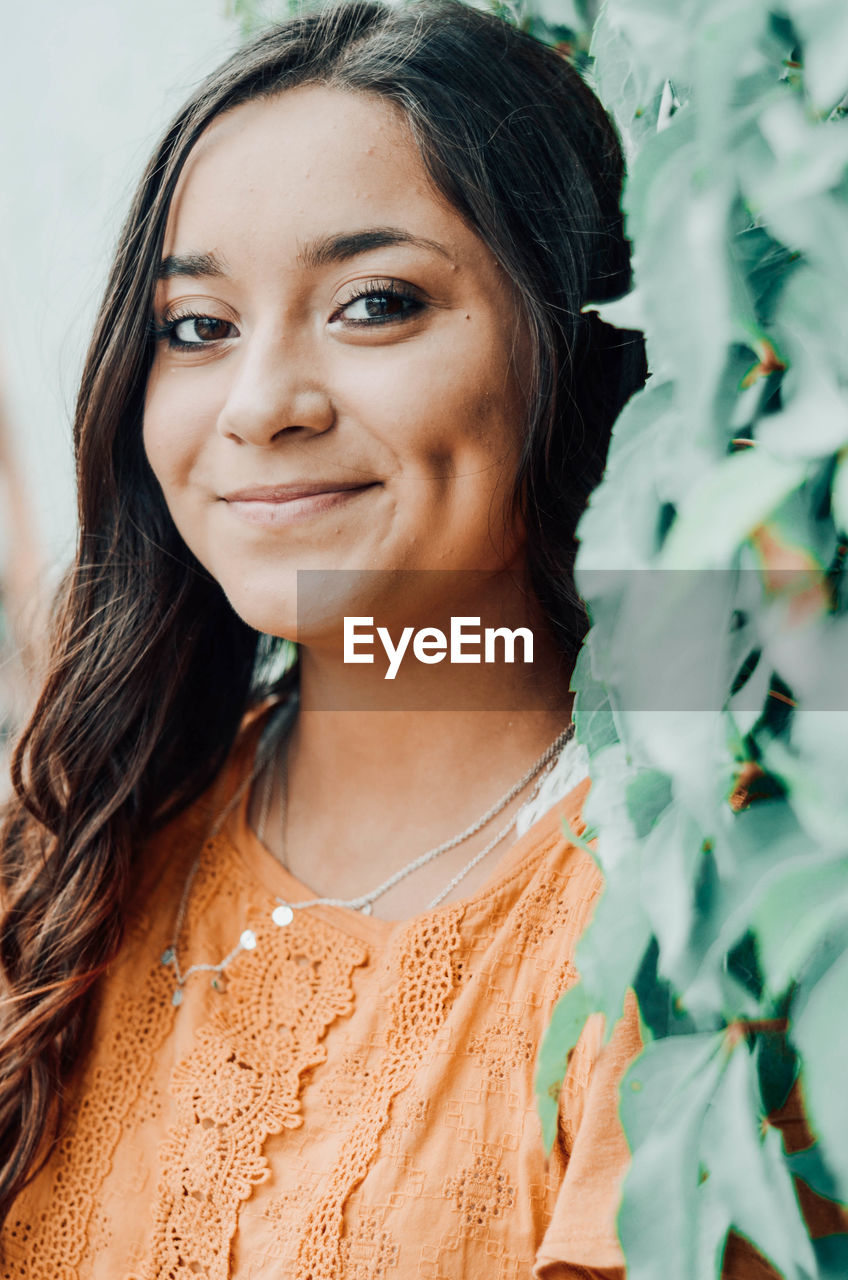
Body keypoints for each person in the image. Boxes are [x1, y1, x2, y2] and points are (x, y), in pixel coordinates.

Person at [0, 2, 650, 1276]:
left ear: (568, 344)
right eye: (197, 326)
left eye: (374, 303)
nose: (259, 406)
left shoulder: (669, 929)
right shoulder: (72, 848)